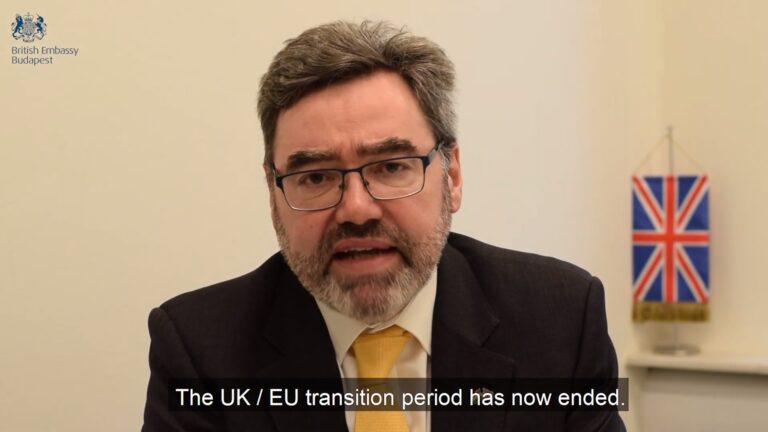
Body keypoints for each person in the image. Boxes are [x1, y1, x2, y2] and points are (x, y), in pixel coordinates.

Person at [142, 20, 624, 432]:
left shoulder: (561, 319)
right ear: (273, 193)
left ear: (451, 177)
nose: (357, 209)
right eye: (316, 177)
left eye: (391, 167)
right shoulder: (199, 350)